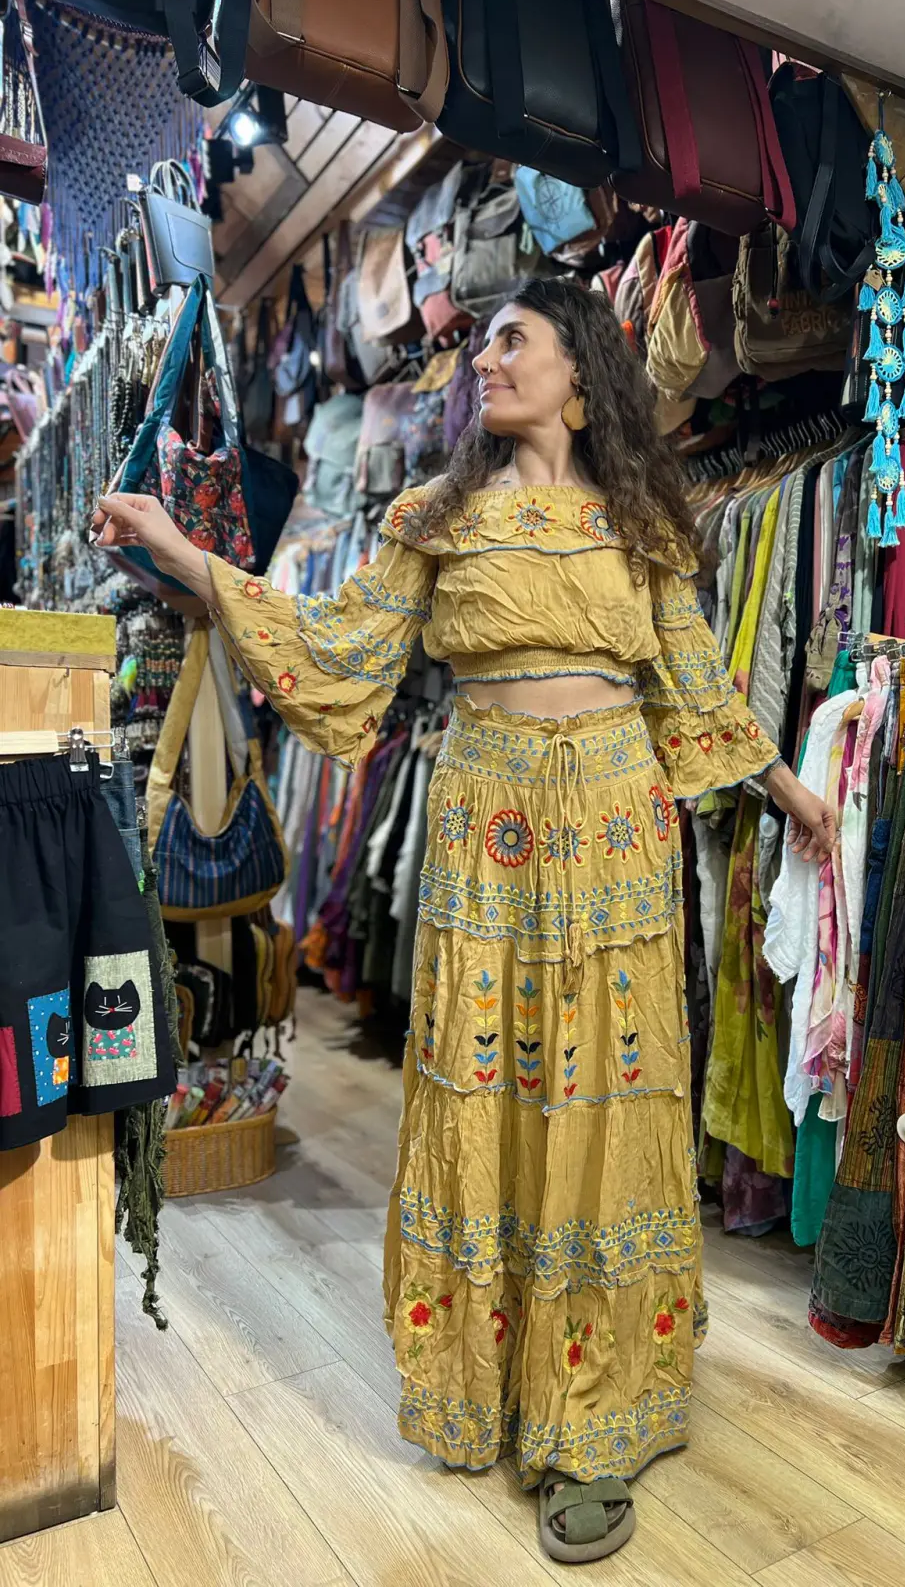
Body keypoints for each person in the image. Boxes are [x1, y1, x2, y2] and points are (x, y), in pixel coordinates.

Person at [94, 279, 836, 1565]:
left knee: (604, 1097)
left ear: (579, 373)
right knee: (487, 1088)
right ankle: (485, 1378)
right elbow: (337, 652)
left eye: (510, 340)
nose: (485, 360)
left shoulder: (644, 524)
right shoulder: (432, 516)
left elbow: (694, 685)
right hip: (487, 823)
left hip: (614, 826)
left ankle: (591, 1415)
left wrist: (790, 790)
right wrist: (182, 553)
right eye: (484, 342)